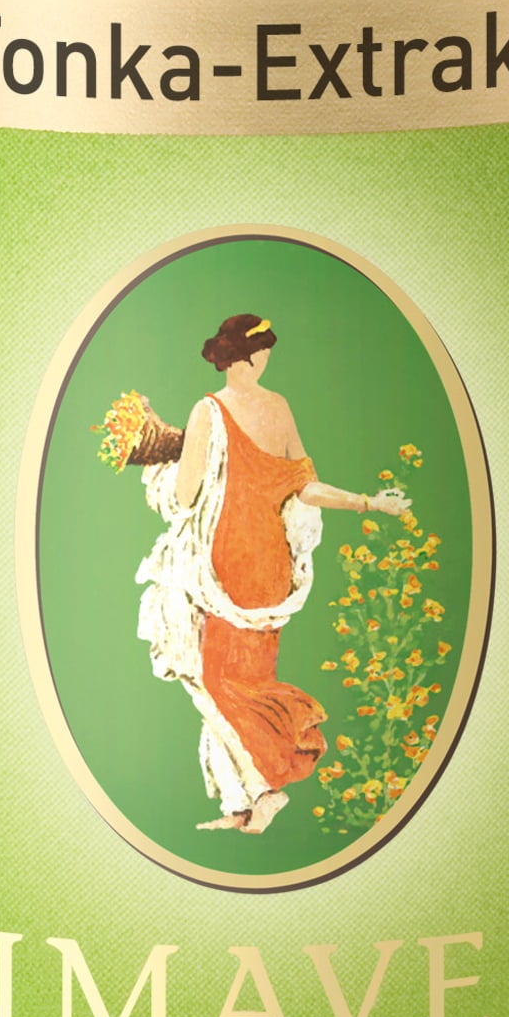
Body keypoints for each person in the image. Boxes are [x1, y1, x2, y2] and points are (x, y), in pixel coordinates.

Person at [136, 314, 406, 834]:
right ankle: (242, 804)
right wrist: (368, 502)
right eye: (264, 351)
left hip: (226, 564)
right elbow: (308, 487)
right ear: (251, 355)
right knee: (249, 681)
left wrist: (157, 468)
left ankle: (266, 791)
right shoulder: (278, 408)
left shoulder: (207, 411)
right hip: (271, 566)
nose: (267, 359)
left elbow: (185, 497)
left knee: (214, 681)